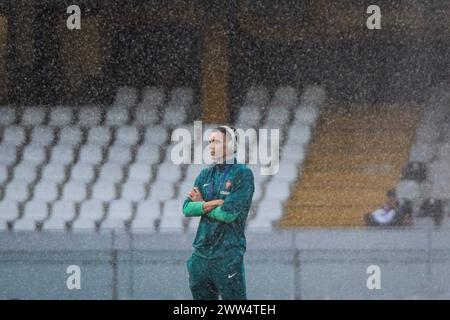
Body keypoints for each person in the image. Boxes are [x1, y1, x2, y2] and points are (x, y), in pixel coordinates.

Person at [182, 125, 255, 300]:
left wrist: (201, 206)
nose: (211, 146)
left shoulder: (242, 174)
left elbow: (228, 214)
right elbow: (186, 208)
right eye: (210, 142)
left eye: (216, 141)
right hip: (201, 256)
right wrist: (211, 204)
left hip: (227, 255)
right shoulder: (205, 174)